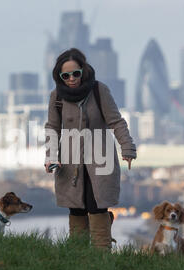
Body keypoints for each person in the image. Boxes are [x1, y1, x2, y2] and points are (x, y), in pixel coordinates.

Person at [44, 48, 137, 250]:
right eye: (65, 75)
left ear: (83, 70)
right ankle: (78, 258)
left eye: (75, 73)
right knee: (76, 210)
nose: (71, 79)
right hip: (69, 163)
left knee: (97, 208)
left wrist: (127, 148)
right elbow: (52, 128)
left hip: (100, 160)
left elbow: (116, 121)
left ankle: (101, 257)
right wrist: (51, 156)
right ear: (59, 77)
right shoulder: (57, 96)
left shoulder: (98, 90)